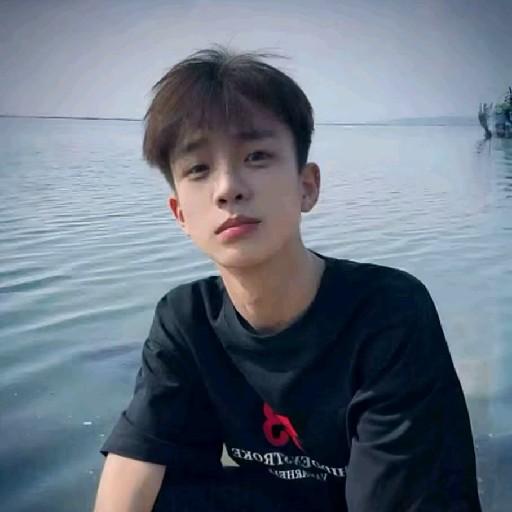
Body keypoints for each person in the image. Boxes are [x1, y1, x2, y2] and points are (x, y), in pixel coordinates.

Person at [93, 45, 482, 511]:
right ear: (180, 214)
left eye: (256, 156)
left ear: (307, 186)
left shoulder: (387, 312)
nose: (227, 188)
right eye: (198, 168)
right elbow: (136, 461)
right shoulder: (187, 319)